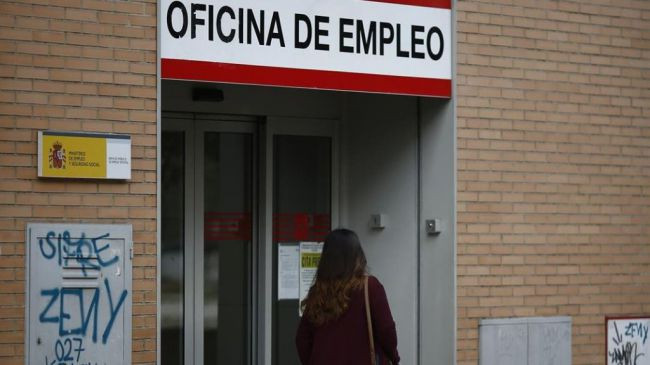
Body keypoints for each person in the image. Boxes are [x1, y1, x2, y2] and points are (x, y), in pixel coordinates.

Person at [296, 228, 400, 365]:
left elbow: (302, 339)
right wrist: (394, 357)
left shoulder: (319, 292)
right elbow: (387, 332)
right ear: (357, 256)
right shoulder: (370, 287)